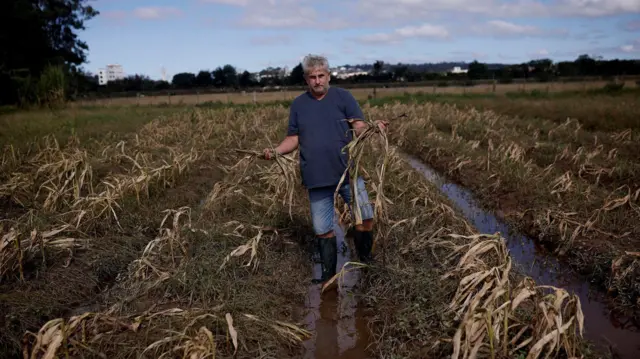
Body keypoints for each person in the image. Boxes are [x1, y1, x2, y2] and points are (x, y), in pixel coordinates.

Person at [263, 54, 388, 284]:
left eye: (321, 76)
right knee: (323, 229)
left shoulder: (343, 97)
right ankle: (329, 276)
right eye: (313, 77)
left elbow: (358, 126)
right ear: (306, 79)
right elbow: (293, 138)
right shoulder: (299, 104)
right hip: (317, 177)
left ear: (328, 75)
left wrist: (371, 128)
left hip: (348, 173)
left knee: (365, 218)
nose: (318, 81)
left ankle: (365, 263)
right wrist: (276, 151)